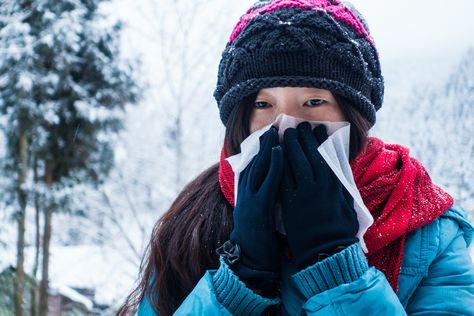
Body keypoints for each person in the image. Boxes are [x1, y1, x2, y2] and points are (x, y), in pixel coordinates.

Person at [118, 0, 474, 315]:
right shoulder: (192, 221)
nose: (285, 126)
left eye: (314, 102)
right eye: (263, 104)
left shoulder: (424, 226)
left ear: (354, 115)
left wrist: (336, 268)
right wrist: (240, 280)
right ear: (239, 118)